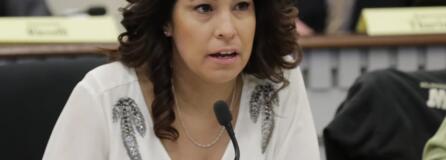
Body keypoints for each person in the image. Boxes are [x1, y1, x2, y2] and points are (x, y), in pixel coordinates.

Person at [43, 0, 320, 159]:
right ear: (166, 22)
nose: (227, 29)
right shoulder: (102, 97)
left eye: (241, 6)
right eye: (204, 8)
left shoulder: (277, 84)